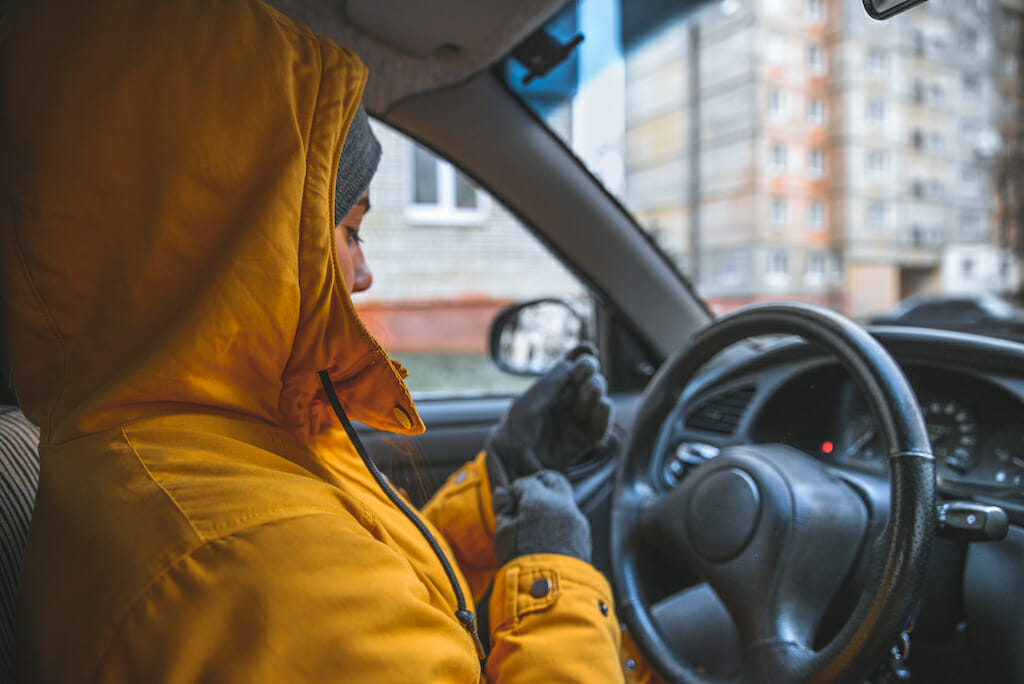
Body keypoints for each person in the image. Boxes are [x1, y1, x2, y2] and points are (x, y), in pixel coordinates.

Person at [1, 0, 630, 681]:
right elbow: (328, 608)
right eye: (350, 230)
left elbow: (373, 610)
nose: (363, 274)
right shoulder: (249, 572)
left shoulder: (168, 468)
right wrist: (553, 582)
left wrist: (495, 488)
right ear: (234, 234)